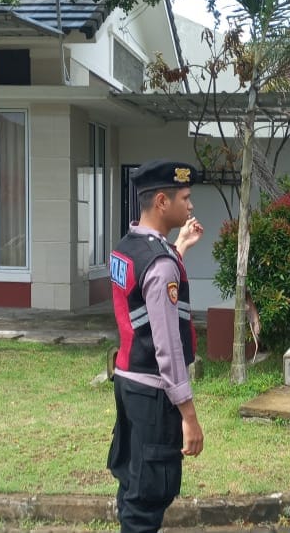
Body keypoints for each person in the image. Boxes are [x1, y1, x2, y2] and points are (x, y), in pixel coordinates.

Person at [107, 159, 205, 533]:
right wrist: (189, 416)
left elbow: (143, 297)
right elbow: (168, 348)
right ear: (162, 202)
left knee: (133, 482)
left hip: (127, 381)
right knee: (148, 495)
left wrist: (178, 248)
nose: (191, 206)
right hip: (153, 393)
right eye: (185, 197)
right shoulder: (161, 265)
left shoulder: (127, 247)